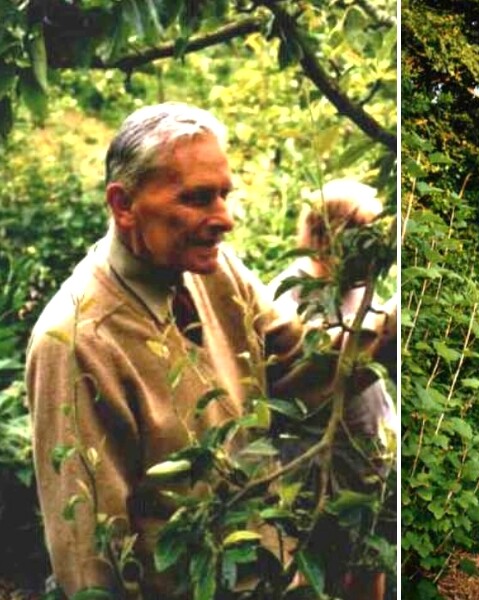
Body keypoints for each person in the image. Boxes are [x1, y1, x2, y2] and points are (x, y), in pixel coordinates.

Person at [24, 103, 395, 598]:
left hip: (273, 572)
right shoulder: (74, 341)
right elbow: (90, 554)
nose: (226, 218)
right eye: (198, 198)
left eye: (225, 194)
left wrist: (392, 328)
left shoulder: (215, 270)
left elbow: (299, 367)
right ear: (124, 204)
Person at [265, 180, 397, 600]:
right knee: (309, 558)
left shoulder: (362, 287)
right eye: (362, 233)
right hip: (314, 457)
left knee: (367, 556)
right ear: (326, 235)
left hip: (368, 450)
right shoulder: (293, 291)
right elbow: (297, 372)